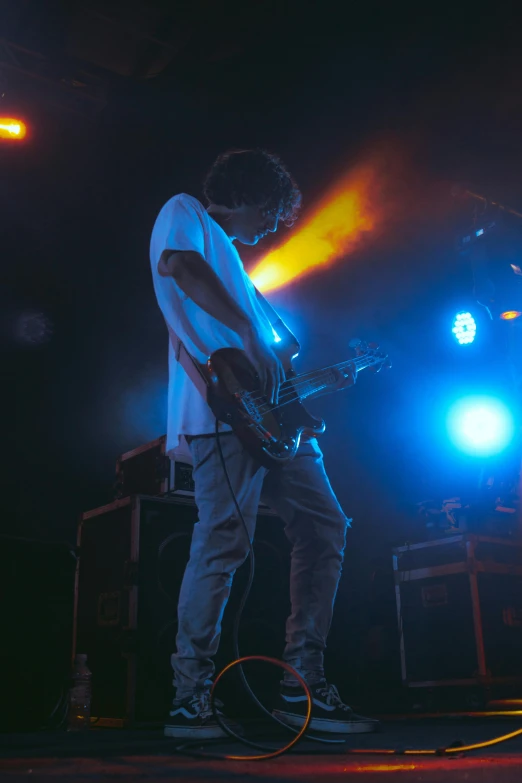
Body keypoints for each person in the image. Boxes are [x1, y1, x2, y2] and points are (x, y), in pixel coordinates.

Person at [150, 148, 378, 739]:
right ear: (248, 193)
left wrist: (308, 375)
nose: (274, 226)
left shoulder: (242, 275)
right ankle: (188, 697)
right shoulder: (187, 214)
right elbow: (178, 265)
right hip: (221, 414)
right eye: (272, 212)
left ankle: (301, 685)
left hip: (274, 421)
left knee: (326, 526)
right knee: (223, 543)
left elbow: (271, 368)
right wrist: (251, 331)